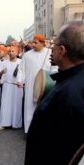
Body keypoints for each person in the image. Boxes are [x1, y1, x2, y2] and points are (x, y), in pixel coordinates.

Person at [25, 21, 84, 165]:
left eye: (54, 46)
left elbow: (51, 147)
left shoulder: (66, 94)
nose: (51, 49)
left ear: (62, 51)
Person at [17, 34, 57, 133]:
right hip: (30, 86)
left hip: (46, 86)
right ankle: (29, 131)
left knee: (44, 109)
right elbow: (21, 69)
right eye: (32, 42)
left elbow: (54, 69)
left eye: (35, 43)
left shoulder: (50, 54)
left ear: (43, 43)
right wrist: (19, 80)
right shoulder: (27, 55)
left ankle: (43, 132)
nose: (33, 45)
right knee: (29, 109)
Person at [0, 46, 23, 131]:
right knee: (5, 105)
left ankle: (16, 124)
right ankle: (3, 124)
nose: (11, 53)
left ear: (17, 53)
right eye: (9, 51)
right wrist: (2, 72)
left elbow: (24, 73)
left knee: (17, 105)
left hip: (17, 87)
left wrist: (21, 82)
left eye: (13, 51)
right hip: (7, 86)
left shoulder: (21, 62)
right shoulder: (4, 62)